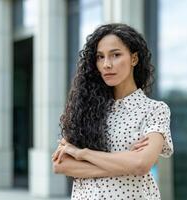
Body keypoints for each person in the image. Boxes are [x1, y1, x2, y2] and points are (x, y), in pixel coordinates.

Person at [52, 23, 173, 200]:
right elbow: (61, 165)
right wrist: (125, 163)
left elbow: (141, 164)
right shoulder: (85, 108)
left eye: (115, 55)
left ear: (134, 59)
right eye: (100, 57)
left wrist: (82, 154)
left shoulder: (154, 110)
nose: (106, 64)